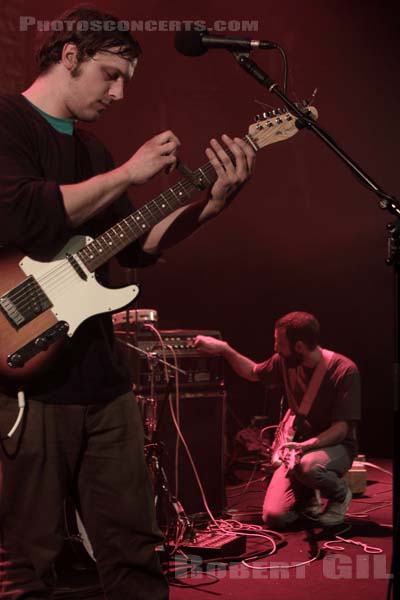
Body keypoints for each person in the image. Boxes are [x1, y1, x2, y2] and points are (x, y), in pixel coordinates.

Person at [0, 7, 256, 600]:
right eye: (110, 74)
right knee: (26, 565)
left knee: (135, 556)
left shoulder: (92, 150)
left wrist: (209, 205)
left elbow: (135, 245)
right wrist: (131, 171)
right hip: (29, 379)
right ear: (70, 56)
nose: (118, 93)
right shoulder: (8, 120)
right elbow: (20, 210)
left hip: (102, 381)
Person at [194, 311, 361, 529]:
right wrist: (224, 349)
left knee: (308, 467)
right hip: (297, 446)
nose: (275, 348)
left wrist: (307, 446)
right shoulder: (284, 362)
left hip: (336, 445)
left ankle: (339, 495)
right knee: (275, 517)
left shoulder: (344, 370)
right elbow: (252, 373)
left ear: (299, 346)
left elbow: (341, 429)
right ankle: (308, 496)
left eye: (278, 342)